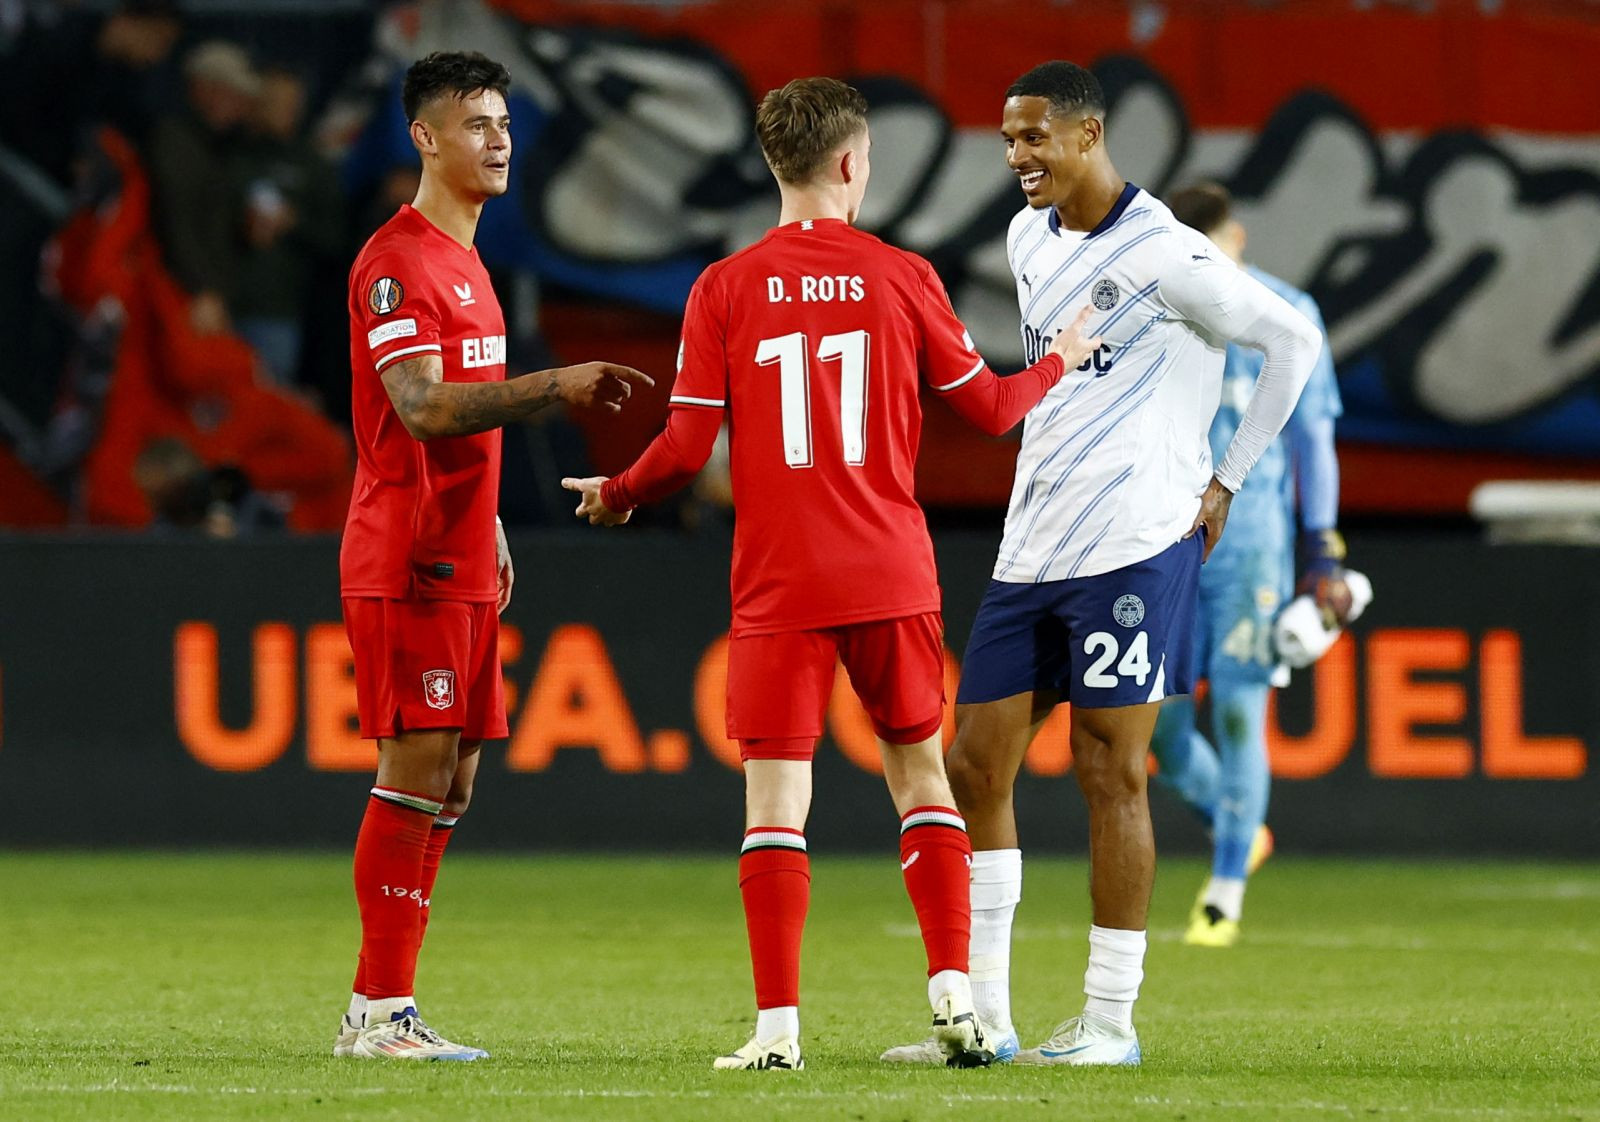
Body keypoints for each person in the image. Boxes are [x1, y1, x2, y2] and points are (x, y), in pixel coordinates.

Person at [562, 76, 1102, 1072]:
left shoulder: (723, 288)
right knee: (920, 775)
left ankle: (777, 1033)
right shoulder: (902, 275)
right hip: (889, 572)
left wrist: (620, 494)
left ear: (776, 163)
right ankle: (954, 995)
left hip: (780, 585)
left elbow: (683, 452)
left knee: (775, 804)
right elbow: (990, 410)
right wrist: (1058, 359)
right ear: (852, 162)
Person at [882, 61, 1322, 1068]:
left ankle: (1110, 1022)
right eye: (1008, 138)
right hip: (1033, 540)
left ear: (1088, 135)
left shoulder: (1170, 253)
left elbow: (1291, 342)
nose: (1016, 156)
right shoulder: (1026, 237)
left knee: (1109, 770)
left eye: (1033, 136)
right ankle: (984, 1020)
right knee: (972, 763)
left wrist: (1226, 479)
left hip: (1134, 543)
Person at [335, 50, 651, 1062]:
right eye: (476, 124)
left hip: (464, 547)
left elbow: (458, 419)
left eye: (505, 123)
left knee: (454, 784)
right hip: (409, 554)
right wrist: (555, 386)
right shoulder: (397, 262)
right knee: (414, 770)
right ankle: (383, 1014)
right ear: (424, 138)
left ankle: (380, 1007)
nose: (499, 140)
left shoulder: (470, 261)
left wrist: (494, 521)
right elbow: (423, 408)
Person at [1148, 181, 1347, 947]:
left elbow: (1313, 438)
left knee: (1239, 710)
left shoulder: (1287, 310)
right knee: (1162, 729)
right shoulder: (1160, 305)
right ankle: (1240, 826)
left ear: (1236, 240)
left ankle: (1224, 892)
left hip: (1252, 540)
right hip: (1169, 540)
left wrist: (1321, 544)